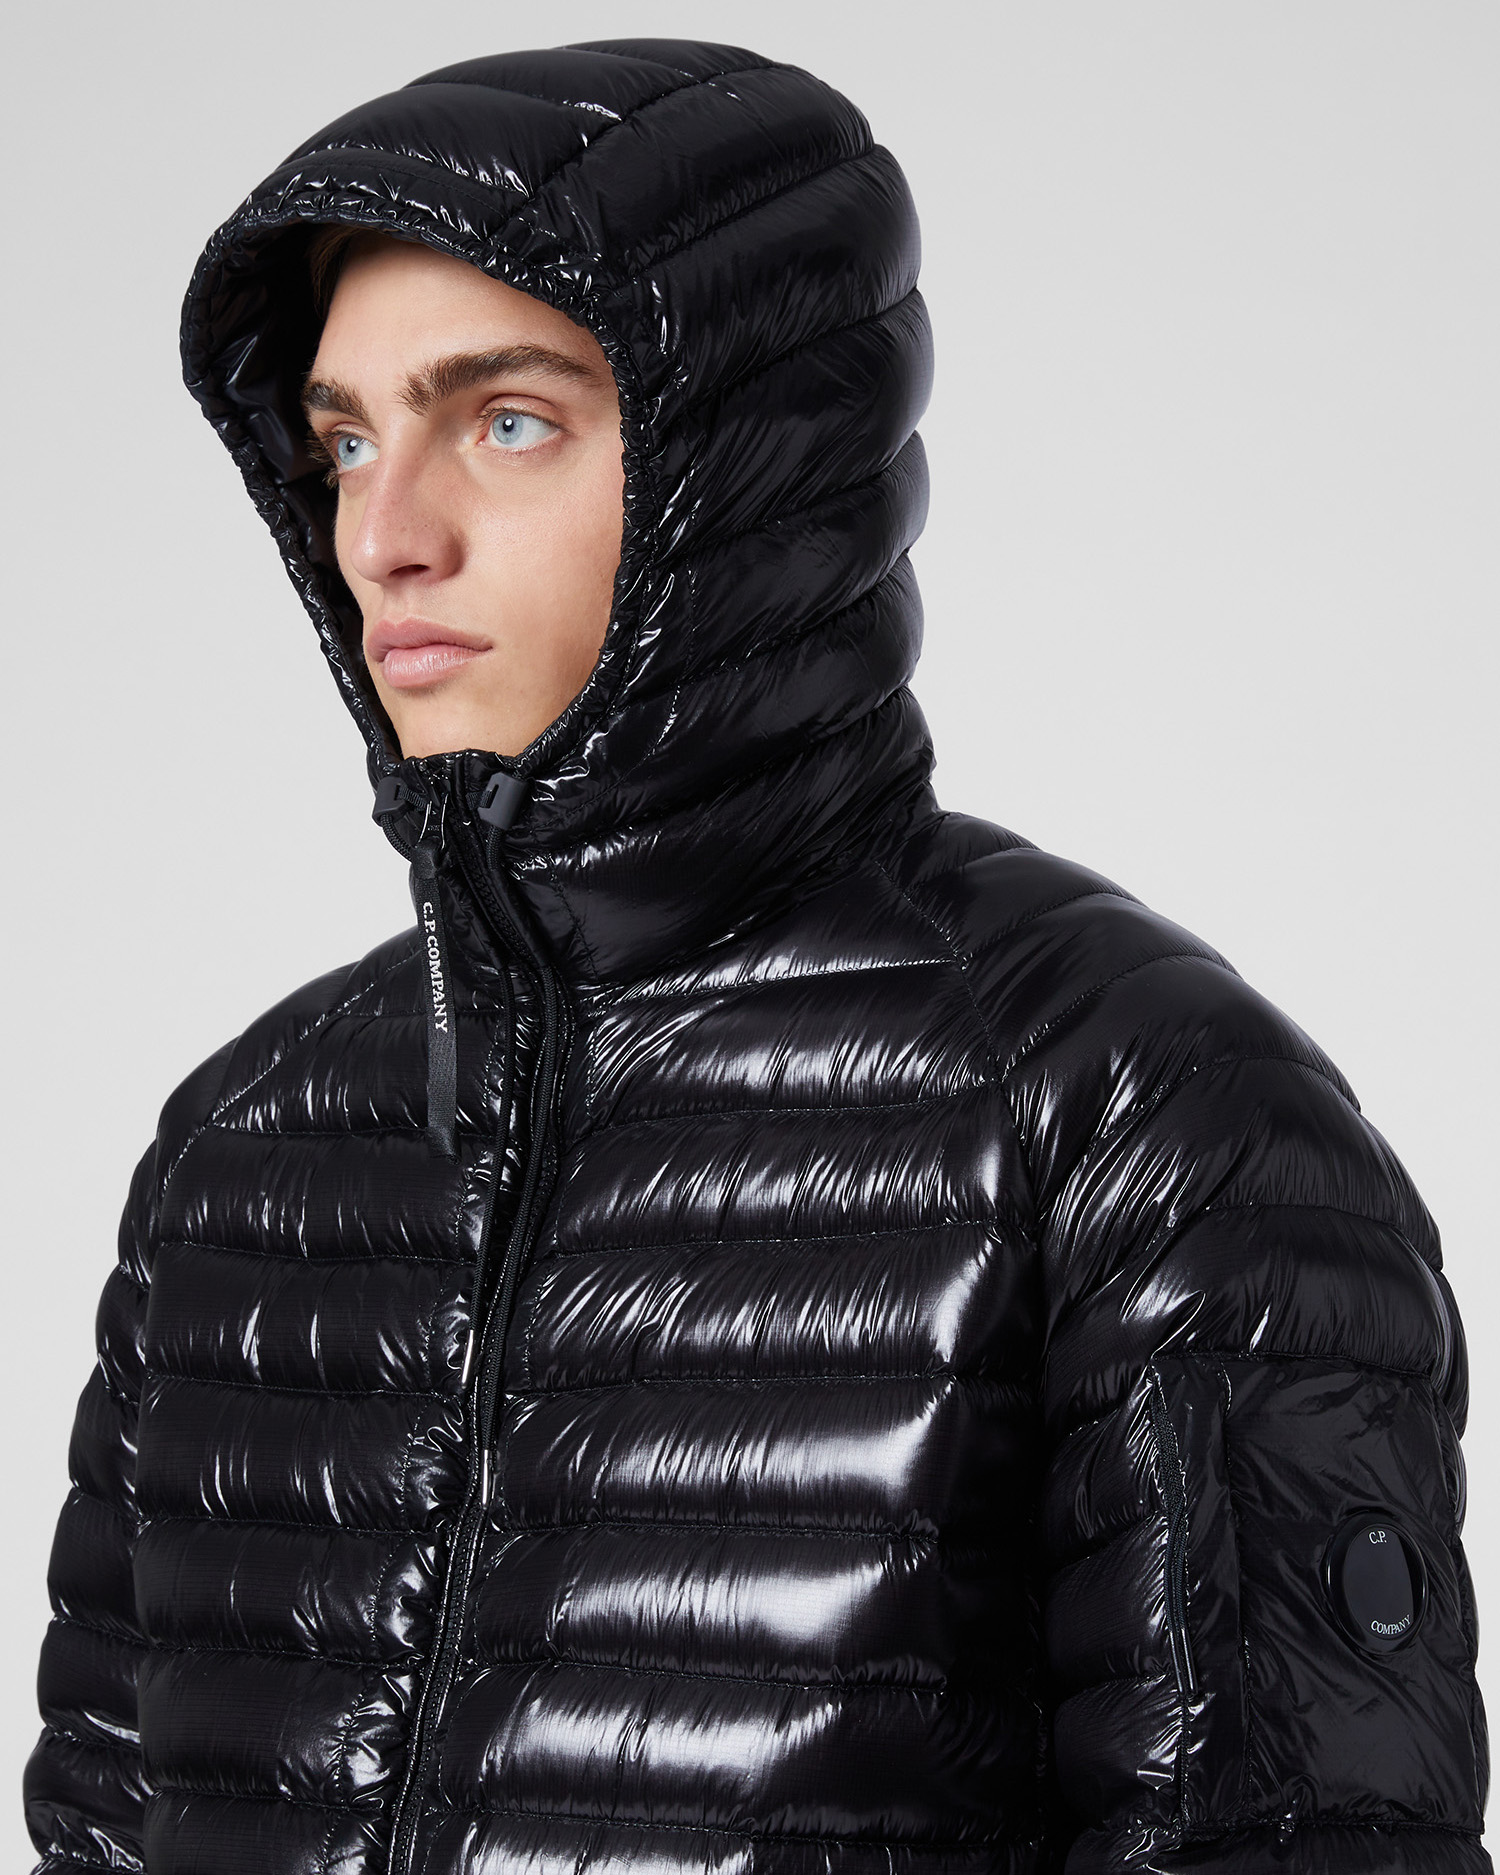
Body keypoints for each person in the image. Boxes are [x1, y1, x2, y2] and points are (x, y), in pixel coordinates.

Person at [22, 36, 1491, 1875]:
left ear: (744, 469)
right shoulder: (242, 1157)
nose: (386, 537)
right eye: (346, 441)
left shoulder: (1135, 1121)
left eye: (508, 421)